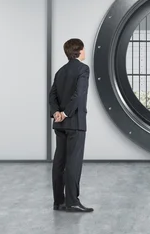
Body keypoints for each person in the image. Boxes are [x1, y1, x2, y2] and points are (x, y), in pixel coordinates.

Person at [49, 38, 93, 213]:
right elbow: (79, 93)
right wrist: (67, 113)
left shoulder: (60, 71)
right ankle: (72, 202)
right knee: (73, 162)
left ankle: (58, 202)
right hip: (74, 122)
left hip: (59, 124)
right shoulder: (83, 69)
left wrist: (56, 113)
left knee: (59, 162)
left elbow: (52, 96)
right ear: (80, 50)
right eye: (84, 49)